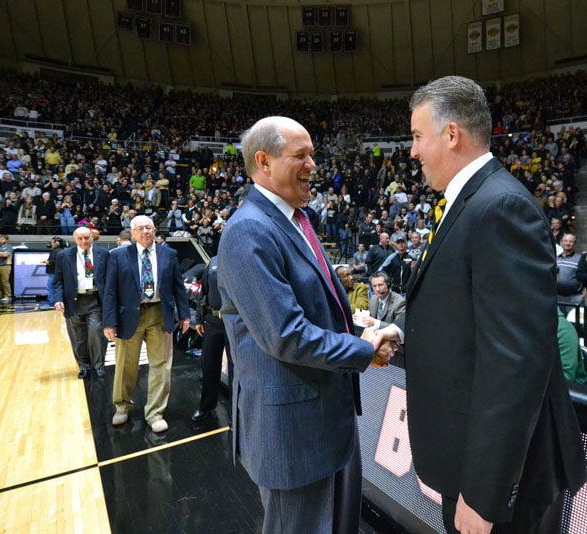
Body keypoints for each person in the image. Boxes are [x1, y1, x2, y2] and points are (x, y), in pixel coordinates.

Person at [374, 75, 585, 533]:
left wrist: (484, 495)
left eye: (416, 136)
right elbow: (466, 324)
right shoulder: (470, 202)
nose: (411, 151)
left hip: (499, 482)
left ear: (451, 135)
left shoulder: (500, 207)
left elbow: (513, 364)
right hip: (468, 463)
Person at [217, 116, 397, 534]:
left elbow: (322, 313)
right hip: (292, 434)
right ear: (264, 161)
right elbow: (287, 335)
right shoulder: (248, 232)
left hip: (327, 419)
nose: (313, 165)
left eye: (312, 155)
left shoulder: (297, 219)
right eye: (301, 155)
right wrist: (365, 351)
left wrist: (358, 333)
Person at [103, 215, 191, 433]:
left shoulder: (168, 254)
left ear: (154, 230)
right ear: (132, 233)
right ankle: (122, 407)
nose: (145, 232)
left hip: (159, 313)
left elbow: (178, 287)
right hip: (129, 316)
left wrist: (185, 315)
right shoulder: (118, 256)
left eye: (149, 227)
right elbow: (110, 291)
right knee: (125, 365)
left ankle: (155, 412)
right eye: (140, 228)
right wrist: (109, 322)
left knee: (161, 365)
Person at [54, 226, 109, 379]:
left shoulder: (103, 254)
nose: (84, 241)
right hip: (74, 302)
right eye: (80, 238)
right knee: (78, 339)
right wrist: (58, 299)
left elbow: (110, 280)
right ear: (75, 239)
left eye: (86, 237)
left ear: (92, 237)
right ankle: (84, 366)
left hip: (95, 301)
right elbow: (58, 280)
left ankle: (99, 366)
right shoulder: (64, 255)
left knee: (96, 335)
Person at [191, 256, 233, 423]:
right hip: (213, 321)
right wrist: (200, 319)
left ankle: (235, 413)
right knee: (208, 366)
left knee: (235, 370)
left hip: (235, 322)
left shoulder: (243, 258)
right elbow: (204, 293)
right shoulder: (213, 262)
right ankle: (206, 407)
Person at [41, 236, 65, 308]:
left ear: (57, 243)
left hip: (53, 273)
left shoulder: (56, 252)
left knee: (51, 287)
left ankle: (52, 303)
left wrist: (47, 262)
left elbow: (54, 261)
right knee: (56, 288)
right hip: (57, 272)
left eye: (52, 243)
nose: (51, 244)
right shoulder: (61, 251)